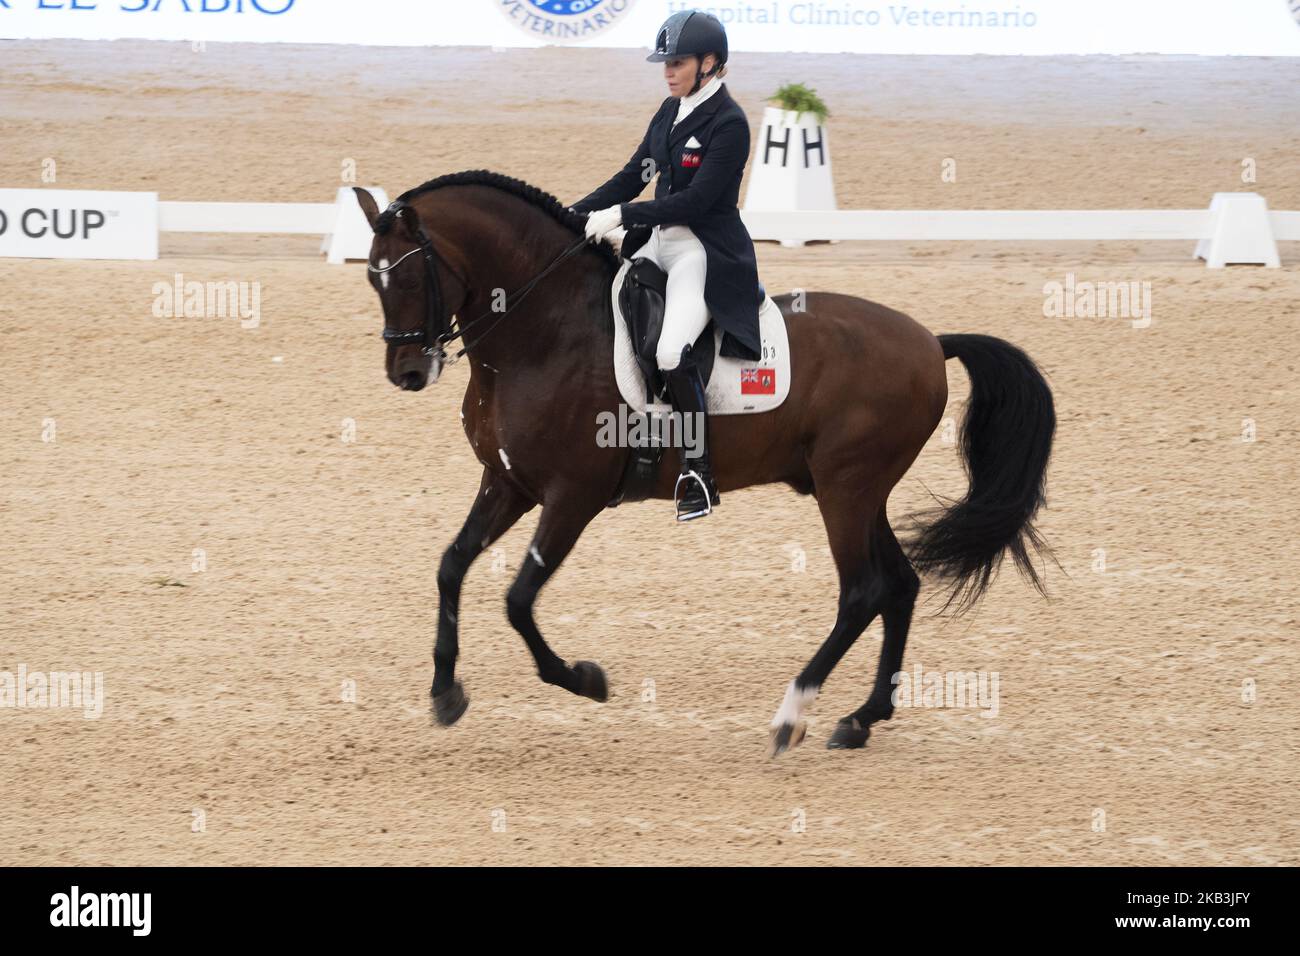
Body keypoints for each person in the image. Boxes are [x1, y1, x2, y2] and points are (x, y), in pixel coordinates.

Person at [572, 9, 763, 521]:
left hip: (702, 249)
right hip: (655, 239)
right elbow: (633, 175)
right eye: (665, 62)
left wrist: (623, 214)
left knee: (673, 350)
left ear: (710, 64)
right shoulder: (667, 111)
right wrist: (572, 213)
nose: (667, 71)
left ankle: (699, 471)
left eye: (677, 62)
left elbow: (697, 202)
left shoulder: (729, 124)